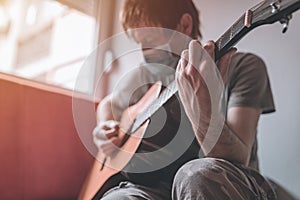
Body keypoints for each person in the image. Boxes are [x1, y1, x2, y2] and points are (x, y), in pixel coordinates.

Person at [93, 0, 282, 199]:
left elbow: (237, 158)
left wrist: (205, 111)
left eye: (149, 39)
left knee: (195, 176)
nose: (143, 51)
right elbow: (107, 103)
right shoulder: (143, 76)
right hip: (154, 188)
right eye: (138, 42)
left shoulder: (244, 67)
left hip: (221, 181)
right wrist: (105, 126)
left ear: (184, 25)